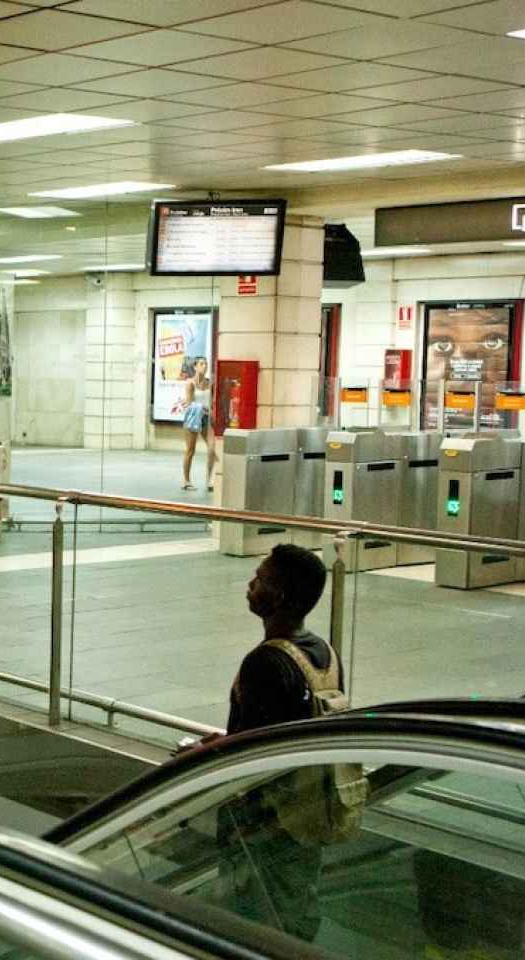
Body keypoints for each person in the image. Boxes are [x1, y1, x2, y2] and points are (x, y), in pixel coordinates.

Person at [208, 544, 334, 942]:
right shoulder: (321, 652)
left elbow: (249, 756)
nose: (250, 584)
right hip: (305, 818)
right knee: (291, 919)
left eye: (260, 579)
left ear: (278, 596)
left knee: (248, 928)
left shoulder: (264, 662)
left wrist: (208, 752)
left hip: (261, 830)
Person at [181, 356, 216, 491]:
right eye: (201, 364)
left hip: (206, 418)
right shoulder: (190, 384)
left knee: (212, 448)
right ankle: (186, 480)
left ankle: (209, 480)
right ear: (195, 367)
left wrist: (211, 411)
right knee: (191, 450)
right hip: (194, 417)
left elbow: (213, 401)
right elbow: (189, 403)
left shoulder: (210, 383)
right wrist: (204, 408)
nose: (205, 366)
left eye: (206, 364)